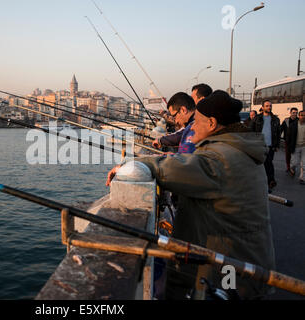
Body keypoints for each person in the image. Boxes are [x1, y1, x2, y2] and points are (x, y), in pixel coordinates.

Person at [107, 90, 275, 300]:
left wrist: (129, 165)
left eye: (198, 122)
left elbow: (175, 169)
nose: (192, 127)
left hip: (231, 267)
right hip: (242, 257)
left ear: (212, 124)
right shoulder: (236, 149)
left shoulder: (220, 158)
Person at [251, 100, 281, 191]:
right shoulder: (257, 118)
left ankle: (270, 181)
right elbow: (251, 131)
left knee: (269, 163)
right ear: (263, 107)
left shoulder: (275, 119)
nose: (269, 107)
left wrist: (277, 145)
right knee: (260, 164)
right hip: (259, 145)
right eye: (267, 106)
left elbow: (278, 133)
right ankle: (262, 181)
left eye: (270, 106)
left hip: (270, 146)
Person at [280, 108, 299, 175]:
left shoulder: (299, 121)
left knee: (294, 156)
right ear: (290, 113)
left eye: (296, 113)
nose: (295, 114)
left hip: (297, 141)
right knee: (288, 156)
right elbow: (281, 129)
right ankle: (288, 167)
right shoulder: (286, 120)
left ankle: (292, 167)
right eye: (293, 112)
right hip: (287, 141)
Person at [290, 110, 305, 185]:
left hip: (304, 147)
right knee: (294, 163)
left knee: (304, 164)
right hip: (295, 147)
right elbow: (288, 136)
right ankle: (292, 168)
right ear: (299, 116)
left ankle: (302, 178)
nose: (303, 117)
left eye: (304, 115)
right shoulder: (293, 125)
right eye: (301, 115)